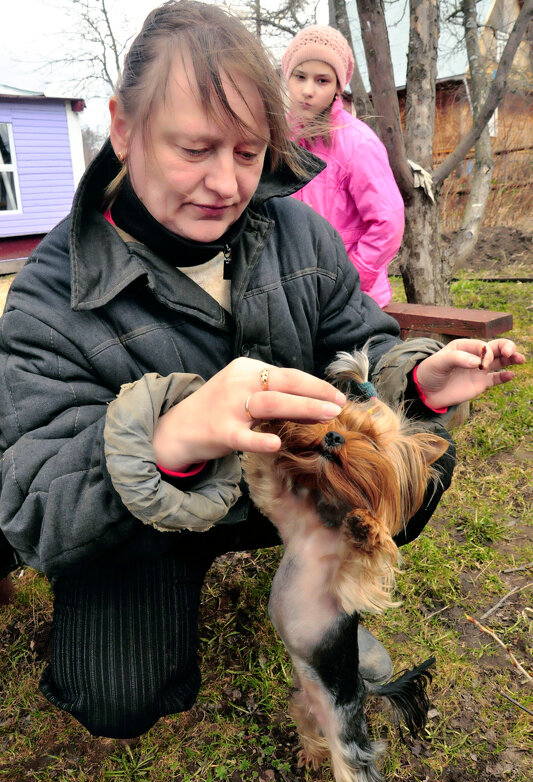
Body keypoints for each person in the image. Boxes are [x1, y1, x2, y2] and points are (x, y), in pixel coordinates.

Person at [0, 0, 524, 741]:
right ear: (123, 127)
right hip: (146, 521)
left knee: (420, 463)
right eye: (195, 148)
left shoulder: (298, 232)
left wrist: (414, 378)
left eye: (248, 154)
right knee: (116, 695)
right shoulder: (54, 290)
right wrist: (166, 439)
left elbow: (359, 342)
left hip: (284, 485)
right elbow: (33, 496)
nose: (225, 183)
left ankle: (323, 603)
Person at [281, 25, 405, 308]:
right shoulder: (275, 140)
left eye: (322, 80)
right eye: (300, 76)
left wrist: (347, 281)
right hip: (296, 301)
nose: (307, 90)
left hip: (353, 304)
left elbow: (388, 223)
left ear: (338, 87)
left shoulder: (357, 144)